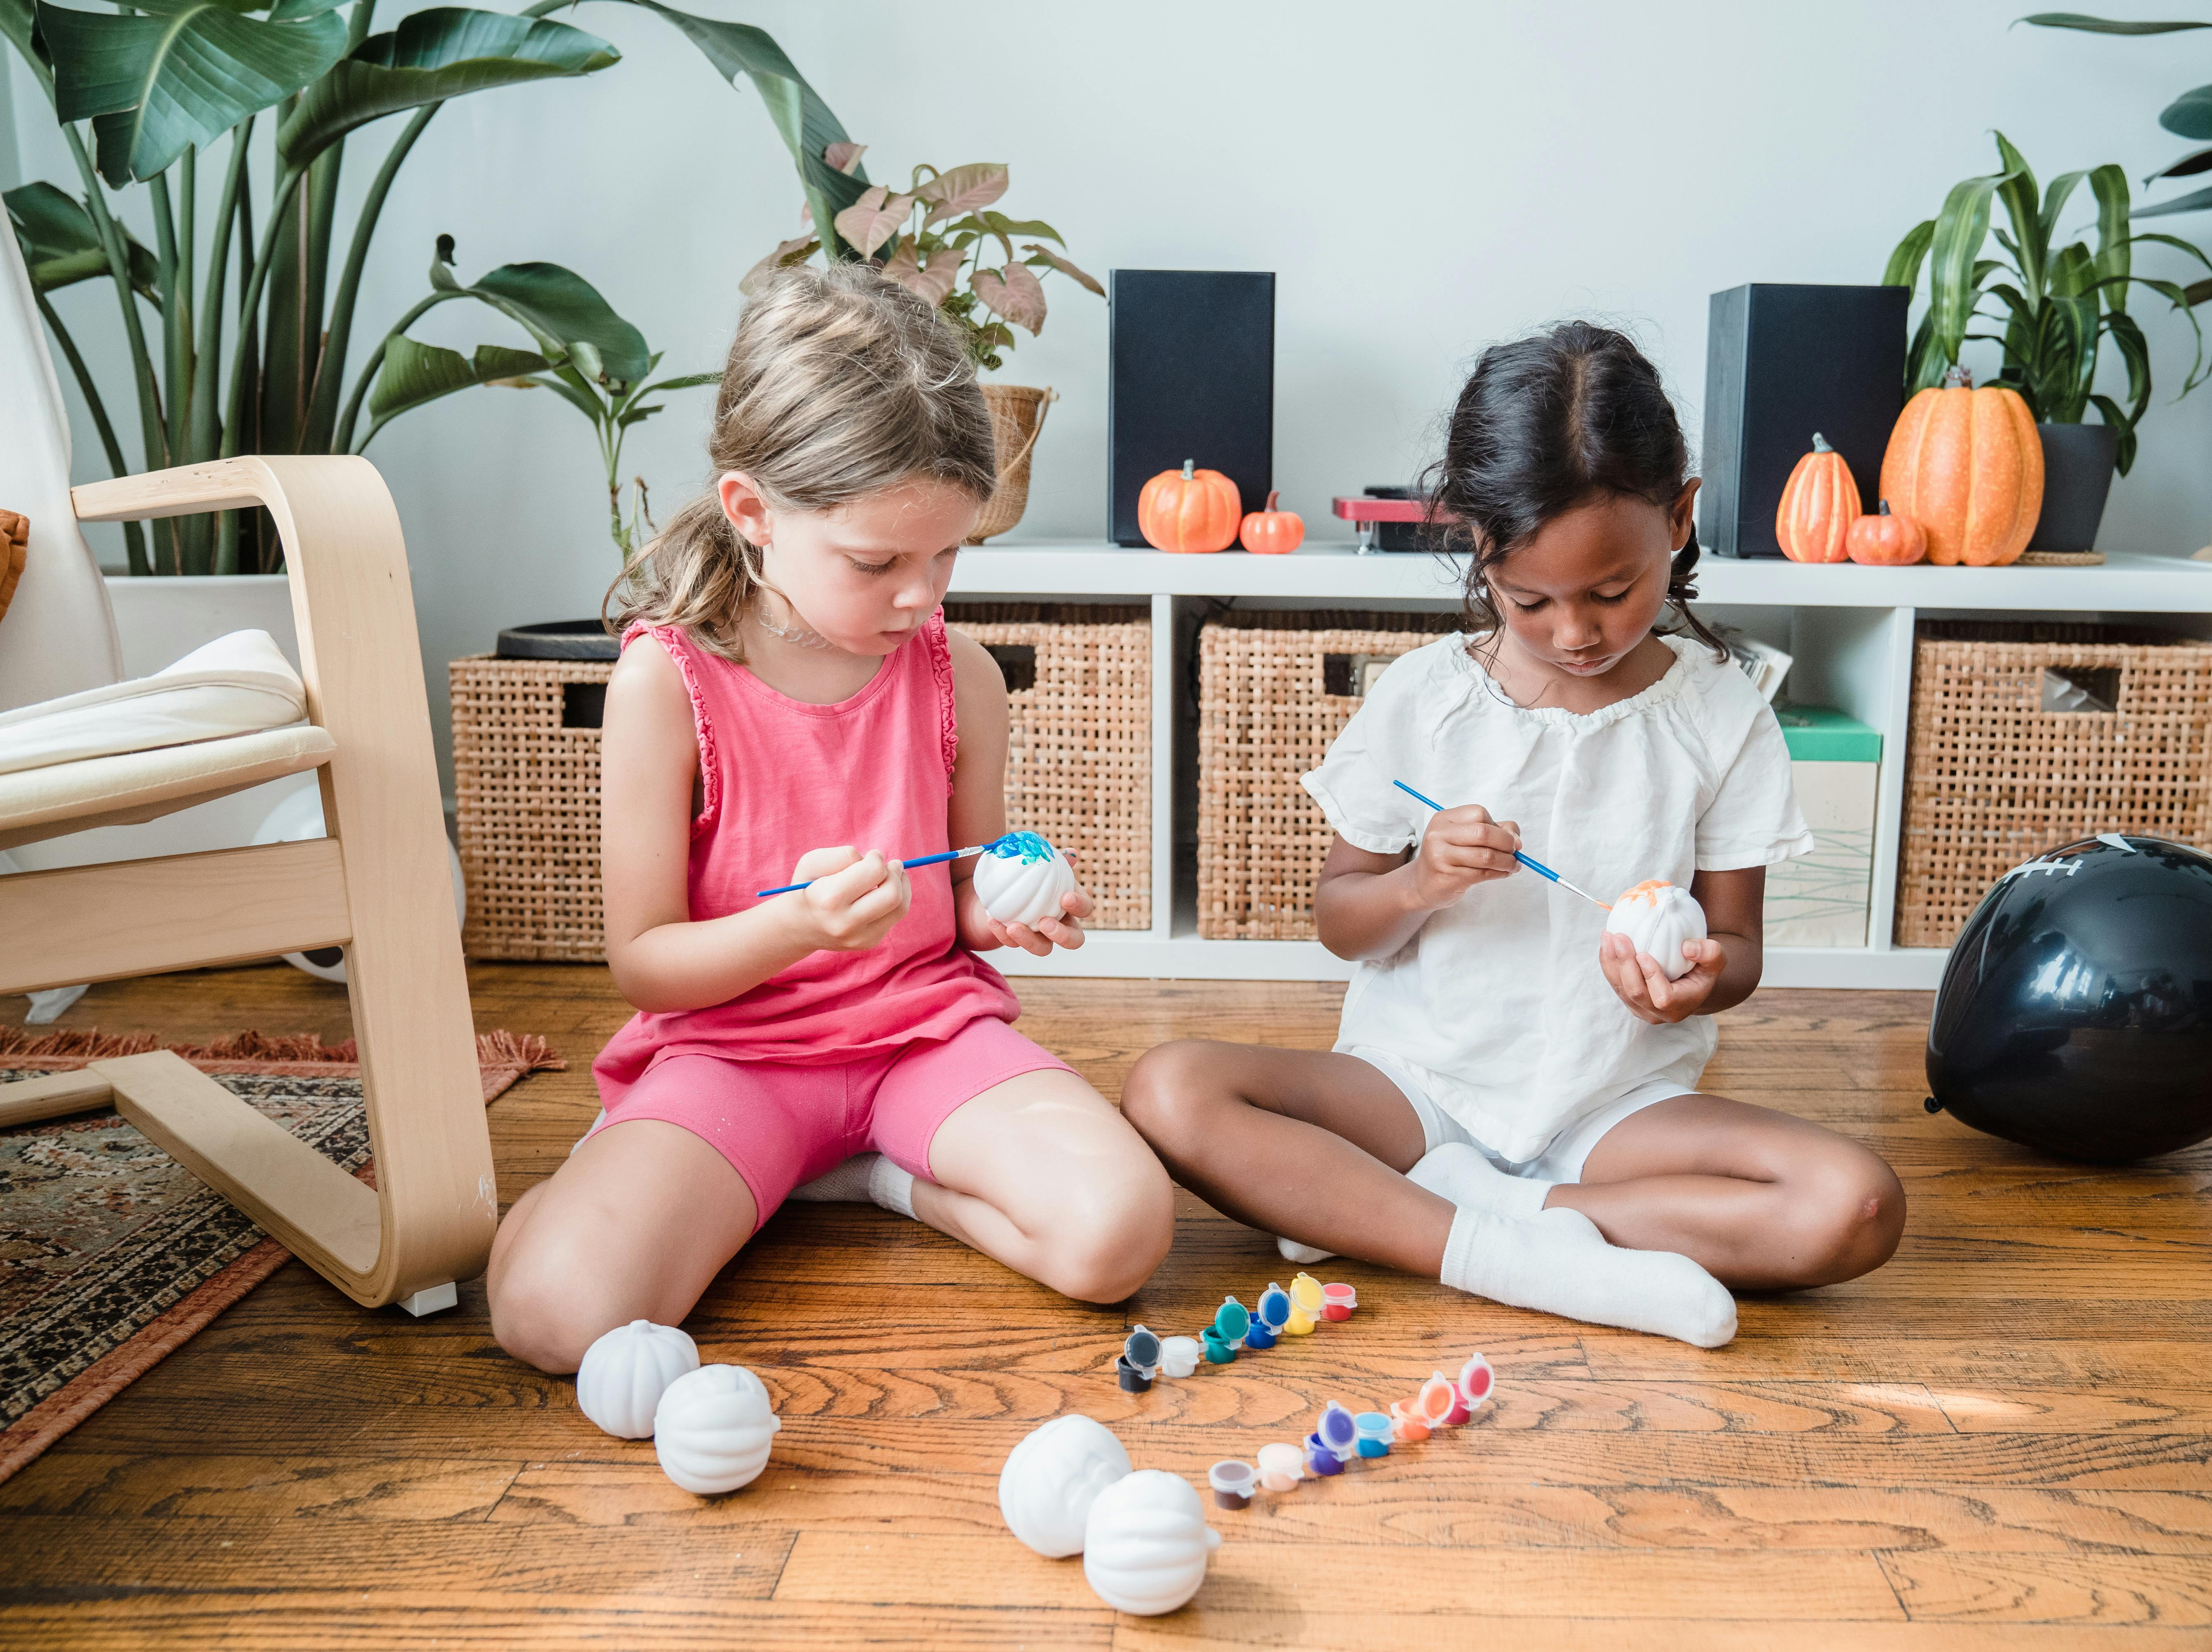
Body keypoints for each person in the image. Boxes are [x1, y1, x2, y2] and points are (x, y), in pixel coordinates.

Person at [1122, 323, 1903, 1346]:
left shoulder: (1721, 714)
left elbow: (1741, 948)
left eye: (1613, 592)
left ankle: (1481, 1220)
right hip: (1416, 1089)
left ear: (1680, 517)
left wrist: (1699, 977)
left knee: (1855, 1203)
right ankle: (1500, 1253)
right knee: (1170, 1089)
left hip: (1616, 1107)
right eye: (1529, 598)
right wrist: (1417, 884)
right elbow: (1340, 921)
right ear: (1478, 547)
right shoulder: (1427, 700)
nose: (1575, 631)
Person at [490, 265, 1172, 1372]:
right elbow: (646, 965)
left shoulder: (962, 676)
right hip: (733, 1058)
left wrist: (1002, 910)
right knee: (555, 1318)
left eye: (948, 554)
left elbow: (953, 901)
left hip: (923, 1041)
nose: (922, 596)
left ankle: (886, 1180)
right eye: (878, 562)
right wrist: (797, 928)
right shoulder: (667, 685)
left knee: (1119, 1235)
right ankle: (655, 1180)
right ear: (753, 513)